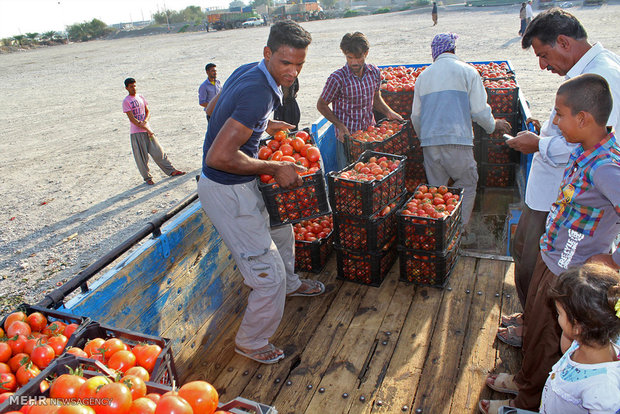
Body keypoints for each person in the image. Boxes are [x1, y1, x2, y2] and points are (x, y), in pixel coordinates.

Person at [480, 74, 620, 413]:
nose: (554, 121)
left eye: (559, 114)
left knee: (548, 338)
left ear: (583, 119)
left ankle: (528, 401)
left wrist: (614, 260)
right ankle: (526, 379)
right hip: (553, 254)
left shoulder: (607, 167)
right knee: (537, 326)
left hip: (570, 269)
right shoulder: (586, 148)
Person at [196, 21, 325, 365]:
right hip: (228, 191)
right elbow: (220, 156)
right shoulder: (259, 92)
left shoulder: (247, 71)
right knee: (267, 275)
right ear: (268, 53)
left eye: (299, 64)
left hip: (240, 183)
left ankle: (292, 283)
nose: (293, 71)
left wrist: (264, 125)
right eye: (286, 63)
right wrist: (274, 167)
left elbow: (213, 112)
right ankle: (251, 340)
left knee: (282, 231)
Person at [499, 8, 620, 349]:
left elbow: (601, 146)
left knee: (543, 273)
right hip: (553, 200)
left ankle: (539, 340)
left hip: (567, 211)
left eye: (543, 55)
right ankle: (532, 322)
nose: (542, 65)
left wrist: (540, 143)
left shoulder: (605, 78)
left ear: (564, 42)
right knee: (526, 254)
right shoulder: (591, 72)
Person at [410, 33, 511, 230]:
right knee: (467, 183)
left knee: (437, 192)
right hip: (458, 142)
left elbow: (416, 116)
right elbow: (480, 111)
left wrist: (426, 137)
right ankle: (460, 230)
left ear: (434, 53)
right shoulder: (468, 72)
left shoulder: (423, 77)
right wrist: (493, 125)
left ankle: (441, 231)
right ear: (453, 50)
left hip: (430, 144)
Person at [539, 263, 620, 413]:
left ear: (578, 326)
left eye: (559, 314)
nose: (557, 317)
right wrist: (570, 329)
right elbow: (566, 351)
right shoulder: (585, 341)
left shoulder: (603, 389)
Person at [317, 32, 403, 169]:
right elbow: (321, 105)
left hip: (370, 135)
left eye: (358, 58)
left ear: (366, 53)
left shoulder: (374, 72)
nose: (354, 62)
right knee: (349, 176)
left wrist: (389, 113)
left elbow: (376, 98)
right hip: (347, 138)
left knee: (373, 171)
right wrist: (339, 125)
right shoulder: (337, 78)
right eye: (349, 58)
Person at [122, 78, 185, 185]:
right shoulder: (126, 101)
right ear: (126, 88)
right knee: (142, 158)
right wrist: (146, 128)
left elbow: (147, 111)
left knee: (158, 152)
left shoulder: (140, 97)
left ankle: (171, 170)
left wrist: (145, 122)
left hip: (147, 130)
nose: (134, 88)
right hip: (137, 133)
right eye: (131, 86)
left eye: (134, 86)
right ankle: (147, 178)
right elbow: (132, 119)